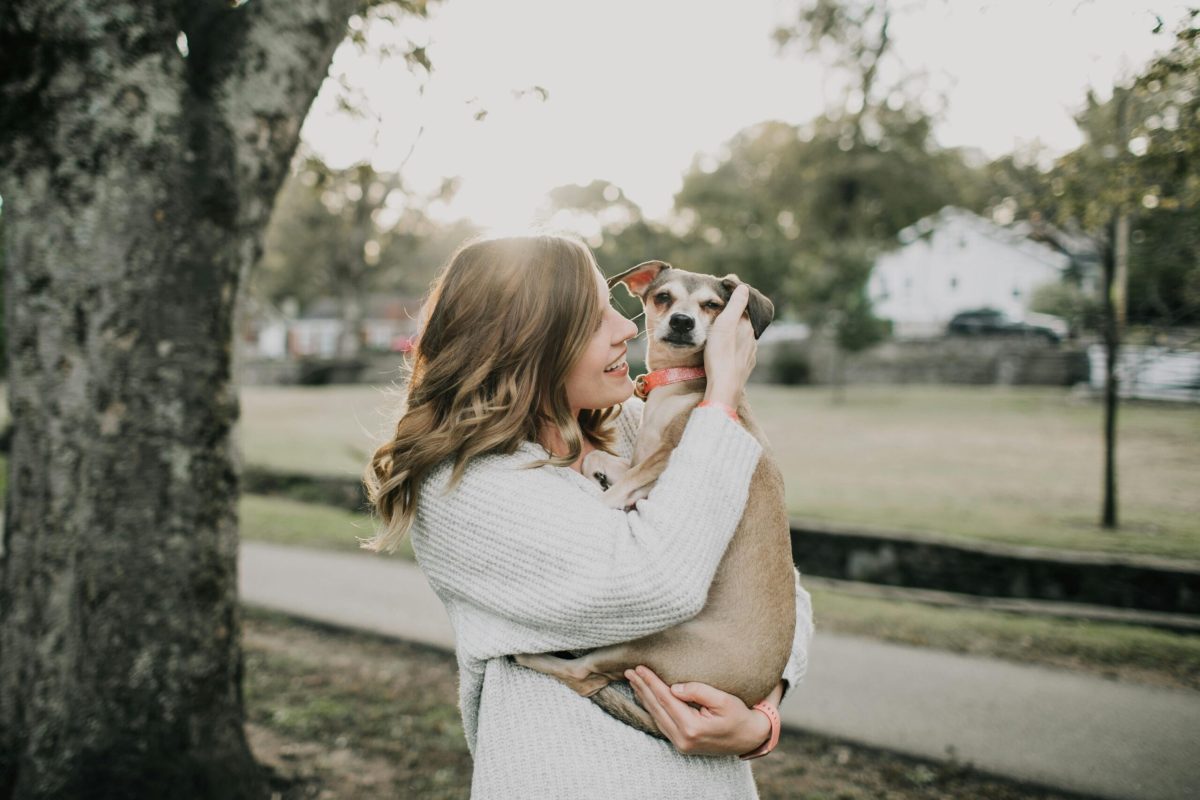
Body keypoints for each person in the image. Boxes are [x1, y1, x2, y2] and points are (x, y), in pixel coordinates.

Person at [363, 234, 814, 799]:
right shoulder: (466, 488)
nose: (627, 326)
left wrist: (760, 718)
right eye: (594, 316)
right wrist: (721, 398)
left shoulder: (631, 426)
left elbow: (776, 581)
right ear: (528, 341)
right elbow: (658, 582)